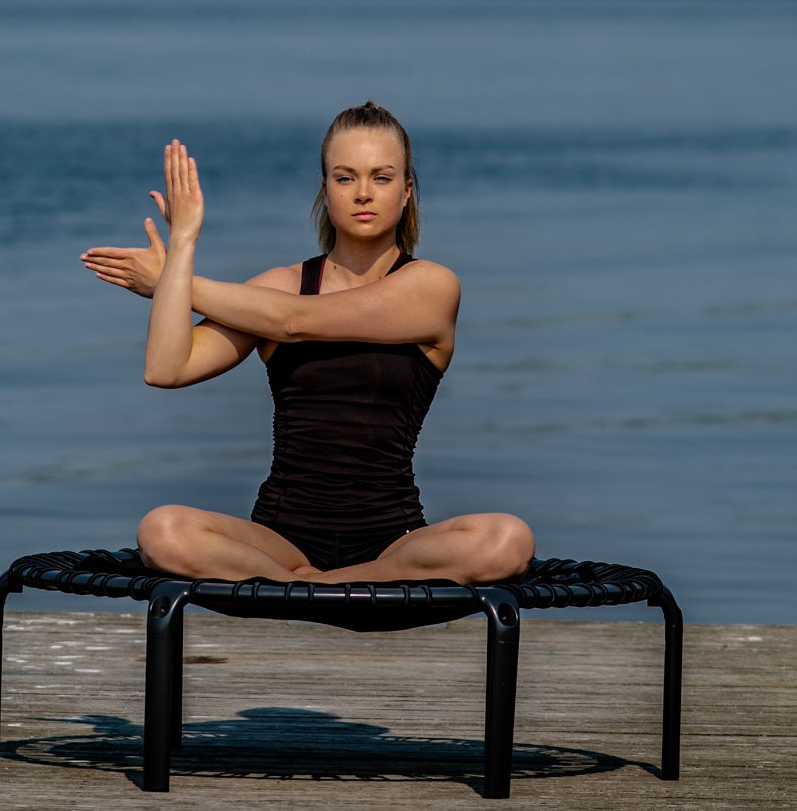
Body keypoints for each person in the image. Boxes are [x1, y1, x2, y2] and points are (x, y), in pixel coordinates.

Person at [80, 102, 534, 584]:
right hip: (280, 542)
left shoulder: (431, 286)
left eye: (381, 178)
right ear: (325, 190)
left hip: (393, 541)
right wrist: (184, 244)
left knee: (506, 540)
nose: (363, 193)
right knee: (162, 531)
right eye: (345, 178)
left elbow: (297, 322)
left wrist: (174, 279)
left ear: (406, 192)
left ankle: (317, 586)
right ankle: (320, 582)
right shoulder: (276, 286)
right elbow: (167, 368)